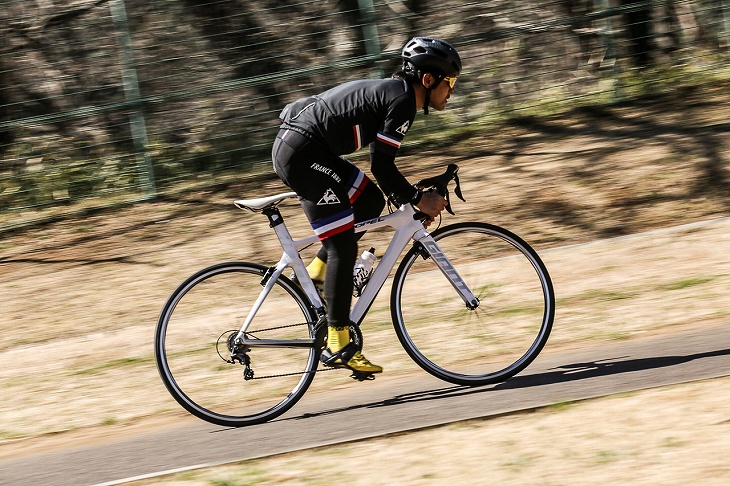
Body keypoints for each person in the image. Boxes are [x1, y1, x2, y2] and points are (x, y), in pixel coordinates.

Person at [271, 37, 462, 376]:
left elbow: (381, 168)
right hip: (303, 154)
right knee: (342, 246)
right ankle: (338, 342)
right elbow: (383, 168)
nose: (451, 91)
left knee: (370, 200)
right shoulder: (403, 100)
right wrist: (417, 199)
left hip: (311, 149)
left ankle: (315, 277)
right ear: (429, 80)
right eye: (450, 83)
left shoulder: (399, 96)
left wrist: (411, 197)